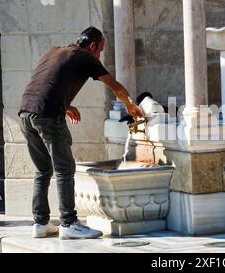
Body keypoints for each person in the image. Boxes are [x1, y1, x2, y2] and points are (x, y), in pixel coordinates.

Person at [19, 26, 143, 239]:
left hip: (25, 112)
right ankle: (68, 223)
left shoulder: (55, 51)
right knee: (65, 168)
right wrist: (130, 106)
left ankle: (40, 224)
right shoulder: (85, 56)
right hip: (47, 115)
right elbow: (115, 86)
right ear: (93, 45)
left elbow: (45, 83)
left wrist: (66, 107)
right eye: (100, 50)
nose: (99, 55)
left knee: (42, 170)